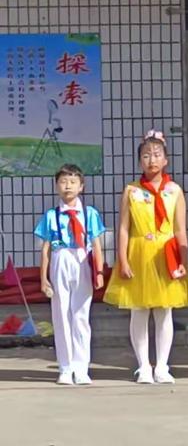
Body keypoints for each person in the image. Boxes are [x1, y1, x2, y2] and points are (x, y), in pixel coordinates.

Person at [104, 130, 188, 384]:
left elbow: (179, 229)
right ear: (139, 161)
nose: (151, 160)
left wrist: (183, 261)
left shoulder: (175, 190)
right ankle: (143, 365)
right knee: (139, 311)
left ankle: (162, 366)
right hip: (139, 251)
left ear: (166, 159)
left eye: (157, 155)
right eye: (146, 156)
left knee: (164, 312)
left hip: (166, 254)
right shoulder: (131, 190)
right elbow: (123, 227)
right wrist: (123, 258)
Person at [34, 163, 106, 385]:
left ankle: (81, 367)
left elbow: (97, 244)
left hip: (82, 259)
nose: (68, 187)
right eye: (64, 182)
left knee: (81, 315)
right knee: (61, 315)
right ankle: (65, 367)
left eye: (73, 182)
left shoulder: (89, 213)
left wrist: (100, 272)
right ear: (57, 186)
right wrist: (44, 278)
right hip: (60, 258)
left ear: (81, 186)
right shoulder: (51, 215)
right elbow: (45, 249)